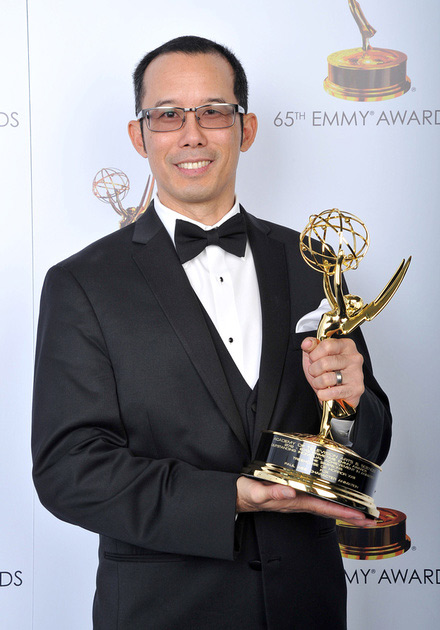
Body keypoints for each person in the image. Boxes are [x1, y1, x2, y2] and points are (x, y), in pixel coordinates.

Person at [32, 36, 391, 630]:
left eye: (213, 112)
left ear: (244, 129)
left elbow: (363, 449)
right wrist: (231, 495)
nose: (191, 134)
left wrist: (352, 401)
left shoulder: (315, 264)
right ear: (138, 135)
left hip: (307, 606)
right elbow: (69, 470)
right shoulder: (82, 283)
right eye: (168, 114)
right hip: (161, 611)